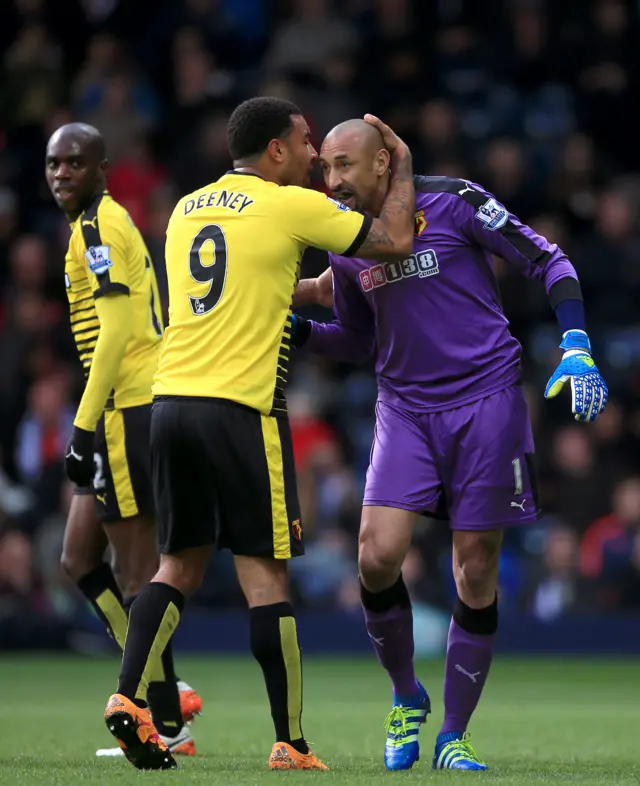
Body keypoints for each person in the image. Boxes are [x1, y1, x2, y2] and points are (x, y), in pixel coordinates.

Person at [102, 96, 417, 771]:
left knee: (175, 568)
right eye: (306, 143)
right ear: (276, 150)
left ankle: (128, 699)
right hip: (241, 409)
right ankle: (291, 743)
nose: (314, 159)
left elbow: (247, 281)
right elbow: (394, 242)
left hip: (170, 403)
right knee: (266, 579)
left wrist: (306, 291)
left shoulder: (186, 208)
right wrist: (406, 169)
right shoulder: (287, 204)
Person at [292, 119, 608, 772]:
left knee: (475, 568)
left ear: (384, 162)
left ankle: (454, 735)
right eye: (325, 168)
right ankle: (406, 694)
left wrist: (575, 342)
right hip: (404, 409)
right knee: (376, 558)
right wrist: (290, 328)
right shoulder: (347, 243)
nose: (333, 181)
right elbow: (355, 339)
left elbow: (546, 258)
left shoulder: (454, 200)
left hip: (487, 401)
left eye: (344, 165)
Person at [45, 123, 202, 758]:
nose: (61, 175)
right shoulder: (97, 225)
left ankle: (159, 717)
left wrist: (81, 426)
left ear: (102, 169)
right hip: (121, 406)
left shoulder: (100, 228)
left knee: (137, 575)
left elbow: (113, 334)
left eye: (74, 164)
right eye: (54, 165)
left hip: (128, 407)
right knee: (79, 560)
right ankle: (167, 699)